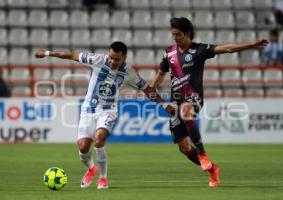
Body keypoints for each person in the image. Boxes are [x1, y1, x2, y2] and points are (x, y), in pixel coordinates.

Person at [35, 41, 174, 189]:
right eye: (111, 57)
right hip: (89, 108)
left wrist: (164, 104)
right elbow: (73, 55)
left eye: (116, 59)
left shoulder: (129, 73)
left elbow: (147, 89)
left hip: (108, 110)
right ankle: (91, 169)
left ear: (124, 58)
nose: (112, 61)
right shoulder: (98, 60)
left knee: (100, 138)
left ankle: (103, 178)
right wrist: (47, 53)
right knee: (83, 147)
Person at [150, 17, 269, 188]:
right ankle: (212, 169)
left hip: (194, 97)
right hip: (175, 103)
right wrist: (152, 88)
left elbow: (226, 49)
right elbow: (160, 75)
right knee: (184, 148)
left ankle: (203, 154)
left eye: (178, 34)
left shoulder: (199, 50)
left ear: (187, 33)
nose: (175, 38)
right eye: (173, 34)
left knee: (186, 111)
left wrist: (250, 45)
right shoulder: (169, 52)